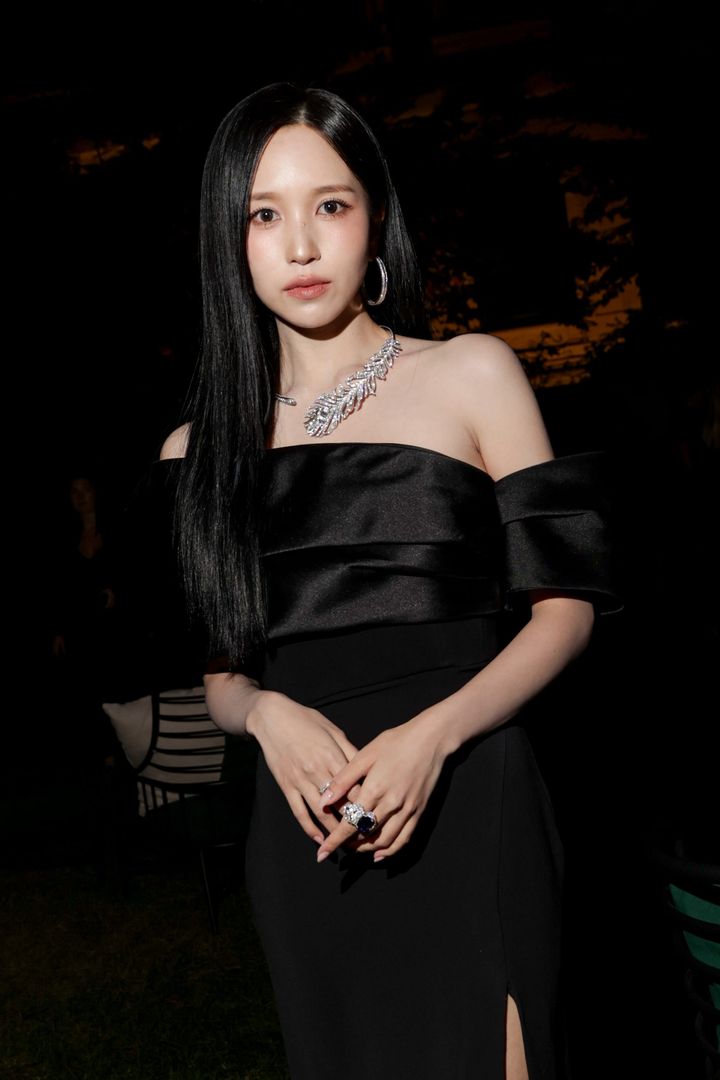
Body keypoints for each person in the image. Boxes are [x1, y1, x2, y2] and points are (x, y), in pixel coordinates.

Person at [153, 82, 618, 1080]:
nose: (301, 245)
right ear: (227, 240)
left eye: (330, 204)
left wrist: (432, 737)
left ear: (374, 216)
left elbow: (567, 614)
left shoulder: (471, 373)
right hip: (310, 832)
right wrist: (266, 715)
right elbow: (222, 678)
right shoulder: (196, 452)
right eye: (263, 215)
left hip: (470, 793)